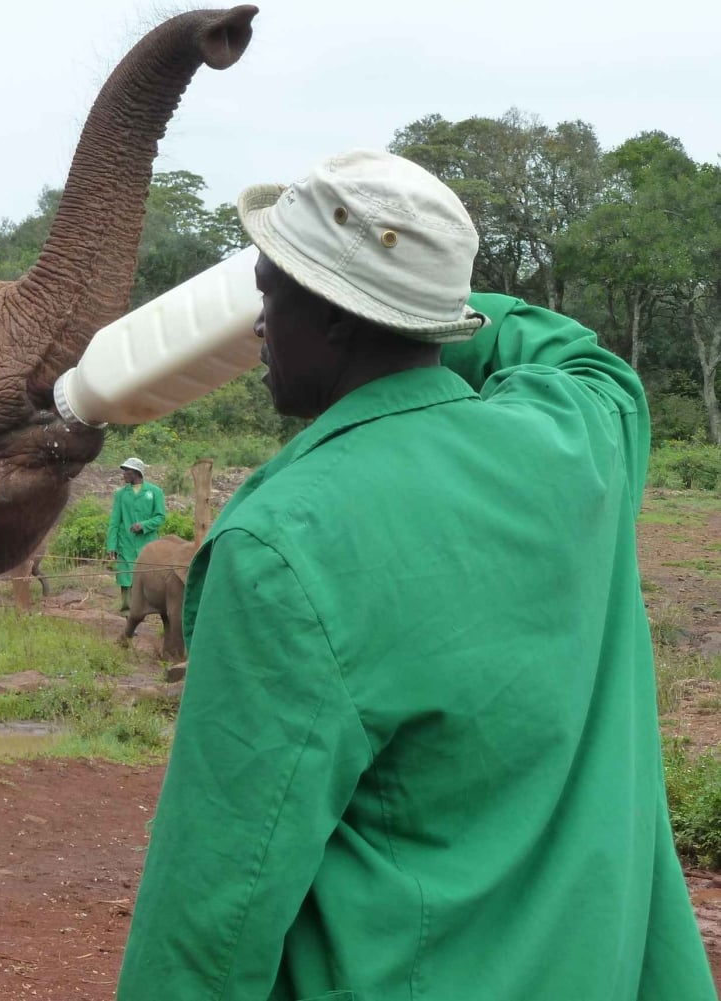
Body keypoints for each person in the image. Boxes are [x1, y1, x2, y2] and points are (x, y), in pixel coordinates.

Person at [117, 149, 715, 999]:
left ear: (331, 316)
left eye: (270, 290)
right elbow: (572, 353)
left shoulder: (284, 543)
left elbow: (215, 902)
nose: (256, 323)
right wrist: (428, 305)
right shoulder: (581, 440)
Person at [106, 457, 166, 613]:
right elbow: (114, 521)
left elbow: (160, 517)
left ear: (136, 472)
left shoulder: (155, 492)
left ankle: (147, 609)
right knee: (126, 577)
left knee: (147, 577)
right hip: (126, 542)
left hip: (148, 543)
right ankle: (127, 612)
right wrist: (111, 545)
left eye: (127, 471)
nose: (124, 474)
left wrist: (144, 525)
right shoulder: (120, 495)